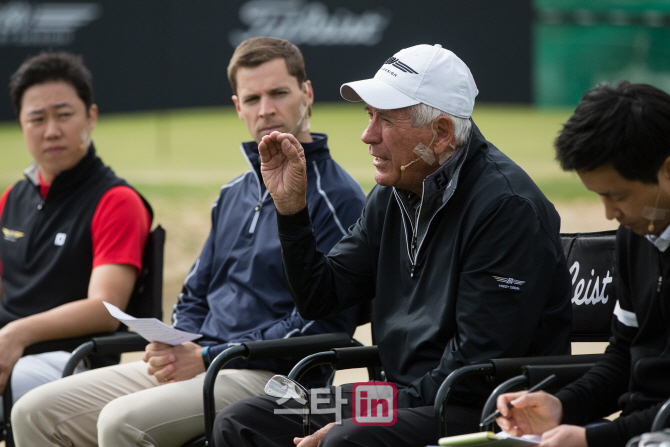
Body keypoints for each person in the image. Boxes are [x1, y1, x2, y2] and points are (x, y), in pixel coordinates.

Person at [11, 37, 366, 446]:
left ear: (307, 94)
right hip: (204, 362)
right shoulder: (233, 193)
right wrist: (176, 343)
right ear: (237, 107)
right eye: (252, 98)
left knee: (121, 422)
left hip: (277, 382)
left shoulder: (337, 197)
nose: (265, 109)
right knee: (34, 411)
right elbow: (195, 293)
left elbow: (322, 322)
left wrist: (207, 356)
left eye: (279, 93)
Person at [213, 43, 573, 447]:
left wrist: (367, 418)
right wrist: (292, 211)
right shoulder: (392, 192)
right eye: (370, 115)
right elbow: (320, 297)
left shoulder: (506, 208)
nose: (367, 136)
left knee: (345, 439)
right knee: (246, 419)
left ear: (440, 134)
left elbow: (472, 372)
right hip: (396, 399)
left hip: (479, 410)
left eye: (385, 119)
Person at [492, 81, 670, 447]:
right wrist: (561, 407)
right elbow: (623, 357)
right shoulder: (636, 234)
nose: (609, 213)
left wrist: (596, 438)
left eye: (617, 195)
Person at [0, 51, 152, 420]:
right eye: (37, 118)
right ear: (21, 124)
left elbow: (104, 309)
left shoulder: (116, 201)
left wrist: (17, 334)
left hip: (73, 362)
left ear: (91, 117)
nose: (51, 130)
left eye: (64, 115)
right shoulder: (11, 198)